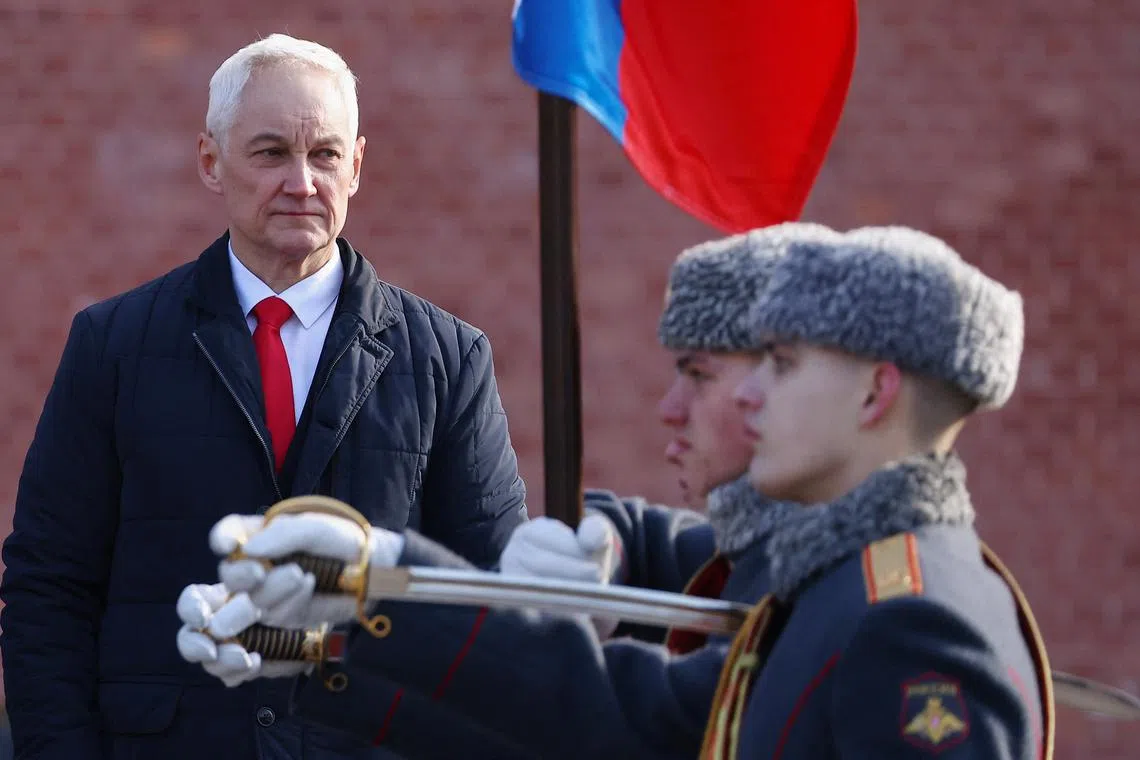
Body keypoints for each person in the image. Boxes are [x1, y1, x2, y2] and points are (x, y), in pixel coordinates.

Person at [183, 223, 1052, 758]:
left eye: (782, 366)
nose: (754, 396)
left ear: (876, 393)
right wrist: (335, 638)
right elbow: (630, 720)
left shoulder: (909, 621)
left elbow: (617, 716)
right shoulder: (837, 584)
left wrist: (384, 580)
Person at [0, 33, 528, 760]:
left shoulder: (446, 360)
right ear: (211, 162)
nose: (302, 182)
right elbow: (48, 588)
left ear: (357, 166)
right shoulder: (113, 347)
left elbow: (492, 600)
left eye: (326, 155)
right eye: (272, 152)